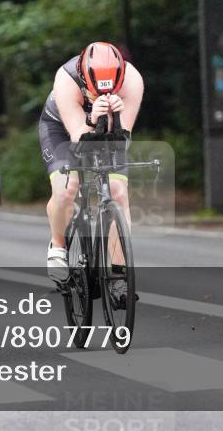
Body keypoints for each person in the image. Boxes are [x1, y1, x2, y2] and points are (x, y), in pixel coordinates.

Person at [39, 42, 144, 302]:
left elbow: (122, 140)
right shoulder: (66, 79)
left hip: (105, 132)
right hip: (62, 130)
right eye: (94, 93)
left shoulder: (132, 81)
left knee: (118, 192)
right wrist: (90, 119)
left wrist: (114, 118)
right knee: (67, 189)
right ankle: (58, 247)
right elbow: (78, 138)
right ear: (83, 78)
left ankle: (119, 276)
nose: (101, 96)